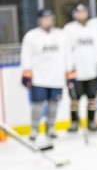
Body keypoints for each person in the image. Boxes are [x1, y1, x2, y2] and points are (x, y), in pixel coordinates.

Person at [20, 9, 73, 141]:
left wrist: (69, 73)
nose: (47, 21)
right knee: (37, 105)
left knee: (53, 104)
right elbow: (26, 56)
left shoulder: (61, 35)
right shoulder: (31, 36)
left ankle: (51, 128)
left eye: (49, 18)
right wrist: (26, 73)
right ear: (39, 20)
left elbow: (68, 55)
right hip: (39, 77)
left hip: (57, 77)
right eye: (44, 19)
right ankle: (34, 129)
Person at [63, 3, 97, 132]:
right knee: (75, 99)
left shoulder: (93, 28)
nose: (82, 15)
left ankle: (91, 121)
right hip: (76, 72)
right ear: (75, 14)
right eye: (79, 12)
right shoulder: (69, 29)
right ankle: (74, 122)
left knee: (92, 98)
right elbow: (67, 51)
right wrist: (69, 69)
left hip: (92, 71)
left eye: (84, 12)